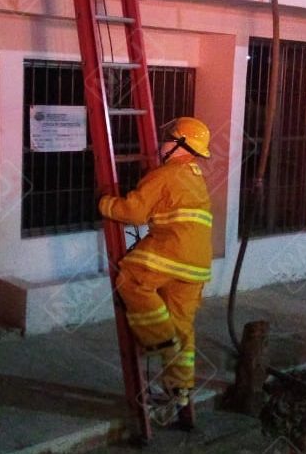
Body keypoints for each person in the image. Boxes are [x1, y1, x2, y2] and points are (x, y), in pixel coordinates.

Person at [98, 117, 213, 429]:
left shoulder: (165, 174)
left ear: (180, 145)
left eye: (169, 138)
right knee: (183, 326)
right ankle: (181, 392)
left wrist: (105, 204)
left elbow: (134, 213)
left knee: (131, 279)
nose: (163, 143)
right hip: (198, 265)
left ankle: (160, 340)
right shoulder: (195, 176)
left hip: (172, 252)